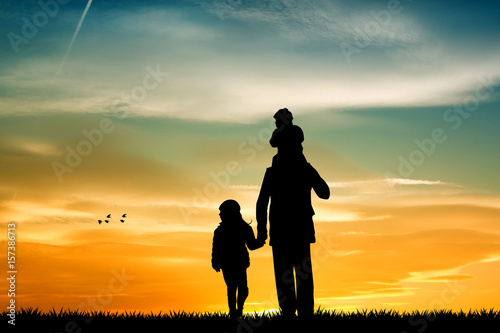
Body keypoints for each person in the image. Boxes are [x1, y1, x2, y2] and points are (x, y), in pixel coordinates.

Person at [256, 161, 330, 318]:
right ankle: (302, 314)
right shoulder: (303, 169)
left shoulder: (274, 172)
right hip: (297, 230)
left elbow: (262, 203)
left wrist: (262, 231)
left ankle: (292, 313)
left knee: (286, 274)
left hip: (283, 230)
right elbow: (325, 193)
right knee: (300, 274)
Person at [211, 199, 264, 318]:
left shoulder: (243, 228)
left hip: (239, 262)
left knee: (241, 287)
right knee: (232, 286)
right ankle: (233, 311)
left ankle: (239, 309)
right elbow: (216, 249)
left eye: (222, 212)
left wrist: (260, 242)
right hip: (228, 263)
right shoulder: (219, 231)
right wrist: (215, 262)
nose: (220, 215)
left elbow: (251, 245)